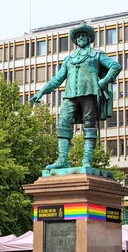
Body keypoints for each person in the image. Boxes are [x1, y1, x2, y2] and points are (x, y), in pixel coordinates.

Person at [31, 23, 122, 169]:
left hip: (90, 94)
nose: (80, 38)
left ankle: (86, 160)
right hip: (70, 95)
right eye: (78, 36)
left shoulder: (97, 55)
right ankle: (62, 160)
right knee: (63, 124)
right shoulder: (69, 60)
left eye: (83, 35)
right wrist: (41, 92)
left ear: (89, 38)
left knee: (89, 126)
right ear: (75, 40)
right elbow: (57, 79)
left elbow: (115, 66)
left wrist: (103, 82)